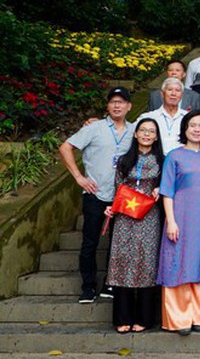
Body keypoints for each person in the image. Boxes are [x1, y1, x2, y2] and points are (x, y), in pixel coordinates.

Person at [59, 87, 136, 303]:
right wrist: (78, 177)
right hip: (96, 193)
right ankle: (88, 286)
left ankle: (111, 283)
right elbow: (65, 147)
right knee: (90, 242)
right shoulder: (95, 128)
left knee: (118, 242)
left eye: (121, 102)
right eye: (113, 101)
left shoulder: (135, 130)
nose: (117, 105)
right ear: (107, 106)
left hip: (122, 195)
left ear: (129, 106)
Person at [157, 110, 200, 336]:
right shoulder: (174, 156)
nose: (197, 129)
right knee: (178, 264)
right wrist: (171, 221)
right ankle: (179, 318)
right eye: (192, 125)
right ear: (184, 128)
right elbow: (167, 192)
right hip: (180, 217)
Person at [104, 118, 164, 333]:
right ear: (136, 133)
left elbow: (166, 187)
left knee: (146, 262)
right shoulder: (123, 160)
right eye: (143, 130)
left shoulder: (163, 161)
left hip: (149, 216)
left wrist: (161, 189)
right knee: (122, 262)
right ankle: (122, 318)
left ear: (156, 137)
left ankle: (145, 318)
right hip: (124, 216)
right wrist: (111, 207)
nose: (147, 134)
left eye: (151, 131)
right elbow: (118, 187)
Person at [139, 77, 186, 154]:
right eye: (170, 90)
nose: (173, 94)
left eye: (177, 90)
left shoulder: (188, 118)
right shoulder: (148, 117)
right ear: (162, 93)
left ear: (181, 95)